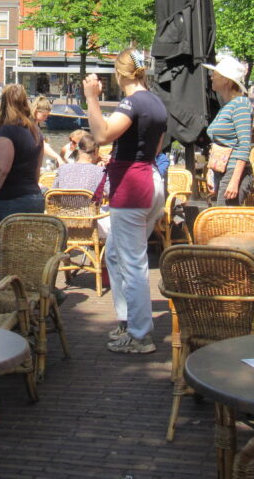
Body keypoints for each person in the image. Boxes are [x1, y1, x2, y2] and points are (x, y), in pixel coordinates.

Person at [84, 48, 166, 355]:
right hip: (151, 178)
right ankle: (127, 320)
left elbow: (102, 135)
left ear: (120, 75)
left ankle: (140, 333)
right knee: (116, 256)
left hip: (132, 187)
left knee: (132, 261)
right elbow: (157, 146)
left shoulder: (132, 102)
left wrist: (92, 97)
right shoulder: (156, 102)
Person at [0, 83, 46, 283]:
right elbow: (37, 170)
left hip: (8, 200)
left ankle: (1, 301)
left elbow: (1, 169)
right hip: (33, 198)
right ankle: (27, 295)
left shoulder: (7, 132)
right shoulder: (35, 132)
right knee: (24, 254)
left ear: (3, 104)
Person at [203, 55, 254, 206]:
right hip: (222, 170)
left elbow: (244, 145)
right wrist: (212, 171)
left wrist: (234, 181)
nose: (211, 77)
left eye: (216, 74)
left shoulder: (240, 104)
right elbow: (220, 143)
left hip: (233, 172)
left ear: (226, 79)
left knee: (225, 221)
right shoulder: (227, 105)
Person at [52, 134, 108, 205]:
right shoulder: (101, 171)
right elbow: (112, 194)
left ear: (79, 150)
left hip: (63, 214)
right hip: (91, 215)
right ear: (96, 151)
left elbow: (53, 195)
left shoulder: (62, 169)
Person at [33, 96, 64, 168]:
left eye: (47, 116)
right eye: (44, 115)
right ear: (36, 111)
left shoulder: (35, 124)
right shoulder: (30, 125)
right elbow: (42, 145)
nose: (46, 118)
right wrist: (57, 157)